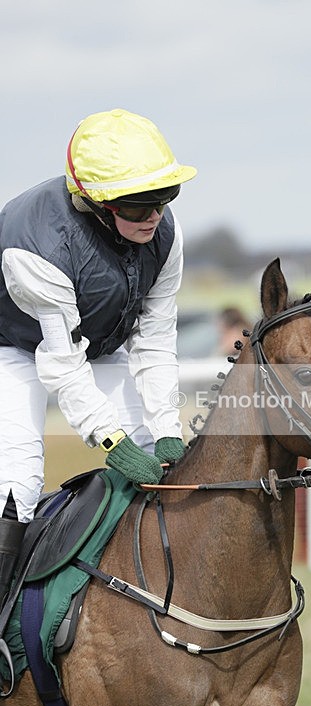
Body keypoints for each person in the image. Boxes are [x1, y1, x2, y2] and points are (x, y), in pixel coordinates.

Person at [0, 108, 197, 609]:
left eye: (163, 198)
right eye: (135, 205)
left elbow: (154, 340)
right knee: (18, 484)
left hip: (94, 344)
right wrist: (112, 442)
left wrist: (167, 428)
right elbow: (61, 365)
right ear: (94, 202)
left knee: (156, 457)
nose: (153, 215)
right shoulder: (38, 248)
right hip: (11, 348)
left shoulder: (165, 236)